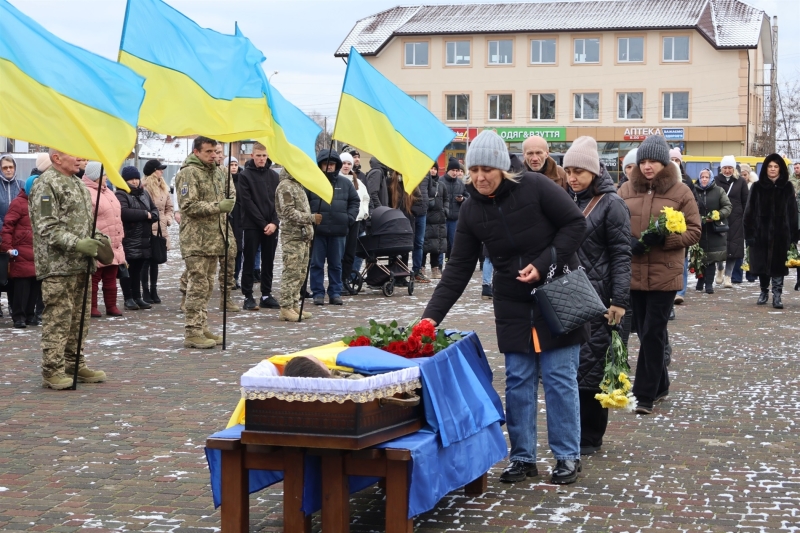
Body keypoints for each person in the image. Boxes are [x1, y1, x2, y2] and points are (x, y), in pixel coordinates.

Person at [422, 130, 588, 485]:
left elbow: (576, 224)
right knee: (518, 380)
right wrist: (429, 319)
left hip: (559, 290)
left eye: (487, 170)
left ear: (502, 167)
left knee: (559, 378)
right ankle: (523, 457)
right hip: (512, 301)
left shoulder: (537, 187)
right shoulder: (470, 210)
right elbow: (457, 270)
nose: (480, 178)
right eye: (474, 171)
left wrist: (543, 263)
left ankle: (567, 456)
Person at [618, 135, 701, 415]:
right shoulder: (625, 190)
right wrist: (627, 242)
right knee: (644, 332)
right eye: (642, 161)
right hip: (634, 274)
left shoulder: (681, 192)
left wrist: (666, 240)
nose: (647, 166)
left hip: (665, 275)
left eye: (653, 160)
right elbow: (614, 225)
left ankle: (644, 394)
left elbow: (694, 231)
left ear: (664, 162)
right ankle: (661, 383)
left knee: (653, 332)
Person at [563, 136, 632, 456]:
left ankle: (590, 436)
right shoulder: (565, 198)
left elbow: (621, 254)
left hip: (600, 296)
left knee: (591, 365)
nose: (572, 177)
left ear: (593, 171)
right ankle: (572, 430)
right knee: (570, 364)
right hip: (569, 293)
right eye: (568, 171)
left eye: (579, 171)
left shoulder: (611, 203)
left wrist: (618, 300)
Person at [29, 149, 109, 389]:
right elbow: (46, 227)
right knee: (58, 319)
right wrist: (77, 243)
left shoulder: (77, 184)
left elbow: (84, 223)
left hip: (81, 264)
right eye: (75, 155)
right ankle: (52, 370)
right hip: (57, 266)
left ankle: (74, 363)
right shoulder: (46, 185)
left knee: (79, 320)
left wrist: (97, 238)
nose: (81, 159)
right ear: (56, 158)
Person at [175, 137, 233, 349]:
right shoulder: (188, 173)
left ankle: (202, 325)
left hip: (214, 238)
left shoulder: (217, 172)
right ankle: (192, 331)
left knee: (207, 285)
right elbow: (188, 205)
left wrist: (226, 204)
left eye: (215, 151)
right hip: (196, 240)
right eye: (208, 152)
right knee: (198, 285)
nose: (213, 155)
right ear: (197, 152)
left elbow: (230, 195)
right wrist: (218, 206)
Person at [743, 155, 799, 309]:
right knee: (761, 264)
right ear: (765, 168)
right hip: (760, 232)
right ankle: (763, 291)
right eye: (770, 166)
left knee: (779, 264)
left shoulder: (787, 187)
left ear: (780, 168)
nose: (773, 169)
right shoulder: (757, 187)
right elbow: (749, 212)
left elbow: (793, 212)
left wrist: (795, 234)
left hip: (782, 233)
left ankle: (777, 295)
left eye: (776, 166)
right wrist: (749, 233)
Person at [306, 150, 359, 306]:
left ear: (336, 165)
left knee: (336, 264)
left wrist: (348, 219)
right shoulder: (312, 183)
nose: (328, 167)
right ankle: (318, 293)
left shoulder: (345, 183)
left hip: (339, 231)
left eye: (331, 164)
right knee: (316, 264)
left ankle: (335, 292)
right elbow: (304, 202)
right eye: (325, 164)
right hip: (318, 231)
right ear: (320, 165)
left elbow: (355, 202)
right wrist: (310, 218)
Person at [237, 143, 281, 311]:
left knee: (268, 260)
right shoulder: (245, 176)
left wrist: (275, 223)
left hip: (271, 226)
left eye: (264, 156)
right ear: (252, 156)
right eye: (259, 155)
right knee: (249, 260)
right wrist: (263, 224)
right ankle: (248, 295)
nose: (262, 159)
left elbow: (278, 203)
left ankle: (266, 294)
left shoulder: (274, 176)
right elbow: (247, 202)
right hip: (252, 225)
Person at [275, 168, 318, 321]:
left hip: (303, 236)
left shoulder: (297, 185)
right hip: (292, 236)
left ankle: (294, 304)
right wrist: (310, 218)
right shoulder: (285, 185)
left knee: (300, 273)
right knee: (291, 272)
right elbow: (288, 212)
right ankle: (285, 307)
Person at [82, 162, 124, 318]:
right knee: (95, 276)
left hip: (114, 241)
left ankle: (111, 306)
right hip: (99, 241)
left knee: (111, 276)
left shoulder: (108, 192)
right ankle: (92, 307)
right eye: (104, 174)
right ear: (96, 176)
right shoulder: (87, 192)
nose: (107, 177)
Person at [116, 166, 159, 311]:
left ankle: (137, 296)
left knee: (138, 269)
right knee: (127, 270)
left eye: (136, 178)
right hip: (129, 238)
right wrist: (145, 215)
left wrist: (152, 215)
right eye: (130, 179)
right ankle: (128, 298)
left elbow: (154, 210)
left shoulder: (144, 193)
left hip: (144, 238)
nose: (134, 182)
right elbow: (124, 212)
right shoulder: (121, 194)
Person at [0, 177, 40, 328]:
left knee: (35, 286)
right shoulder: (18, 203)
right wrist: (7, 247)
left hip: (37, 250)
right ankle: (19, 317)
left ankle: (30, 315)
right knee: (22, 286)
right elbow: (8, 226)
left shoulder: (43, 202)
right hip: (21, 250)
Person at [693, 168, 732, 294]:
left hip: (714, 230)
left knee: (711, 259)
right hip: (698, 230)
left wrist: (718, 215)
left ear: (711, 178)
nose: (704, 179)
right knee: (699, 257)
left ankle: (709, 284)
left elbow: (727, 206)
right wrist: (696, 218)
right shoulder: (694, 191)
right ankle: (700, 280)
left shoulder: (719, 191)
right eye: (702, 177)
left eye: (707, 177)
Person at [141, 159, 174, 304]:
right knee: (145, 261)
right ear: (153, 171)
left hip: (161, 228)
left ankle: (154, 290)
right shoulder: (145, 187)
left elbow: (169, 207)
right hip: (147, 227)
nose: (162, 171)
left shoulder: (164, 187)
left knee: (156, 260)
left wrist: (167, 219)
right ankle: (145, 291)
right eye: (159, 169)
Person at [714, 156, 748, 288]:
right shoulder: (716, 180)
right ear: (721, 168)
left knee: (734, 249)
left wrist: (745, 217)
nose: (727, 170)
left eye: (730, 168)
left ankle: (728, 276)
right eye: (725, 168)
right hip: (720, 218)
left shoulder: (740, 182)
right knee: (719, 247)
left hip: (736, 219)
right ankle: (720, 269)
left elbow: (746, 200)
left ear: (734, 168)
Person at [340, 152, 370, 294]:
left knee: (350, 253)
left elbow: (365, 198)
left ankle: (345, 280)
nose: (346, 166)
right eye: (344, 163)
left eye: (348, 163)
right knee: (339, 253)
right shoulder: (336, 179)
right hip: (340, 221)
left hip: (355, 221)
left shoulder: (357, 181)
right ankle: (338, 282)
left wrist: (364, 213)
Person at [1, 154, 24, 318]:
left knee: (14, 273)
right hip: (0, 234)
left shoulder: (21, 185)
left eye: (11, 167)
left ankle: (13, 305)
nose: (8, 170)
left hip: (18, 237)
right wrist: (4, 228)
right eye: (5, 167)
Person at [387, 170, 417, 286]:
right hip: (393, 220)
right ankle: (393, 275)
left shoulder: (411, 184)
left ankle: (402, 276)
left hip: (408, 220)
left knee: (405, 249)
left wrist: (413, 212)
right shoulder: (390, 183)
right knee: (393, 249)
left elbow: (420, 201)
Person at [423, 163, 449, 279]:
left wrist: (445, 211)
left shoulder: (441, 185)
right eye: (430, 168)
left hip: (439, 219)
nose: (432, 171)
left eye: (434, 169)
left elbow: (446, 199)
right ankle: (421, 268)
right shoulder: (423, 184)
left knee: (436, 246)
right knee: (423, 245)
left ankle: (435, 268)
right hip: (426, 218)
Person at [442, 158, 469, 261]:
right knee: (442, 243)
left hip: (455, 218)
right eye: (453, 170)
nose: (455, 173)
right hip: (443, 218)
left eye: (457, 170)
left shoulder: (460, 184)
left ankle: (451, 262)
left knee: (454, 243)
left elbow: (468, 198)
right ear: (448, 170)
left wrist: (462, 199)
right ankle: (438, 266)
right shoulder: (441, 181)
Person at [409, 167, 430, 282]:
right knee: (405, 241)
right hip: (409, 211)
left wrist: (426, 205)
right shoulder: (407, 169)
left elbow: (430, 190)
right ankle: (401, 272)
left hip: (422, 212)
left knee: (419, 243)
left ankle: (417, 271)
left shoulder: (426, 172)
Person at [226, 157, 244, 290]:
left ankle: (235, 277)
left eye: (235, 164)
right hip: (227, 219)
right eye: (231, 165)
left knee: (239, 250)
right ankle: (227, 278)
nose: (233, 167)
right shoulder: (223, 181)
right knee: (227, 252)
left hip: (240, 219)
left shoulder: (242, 180)